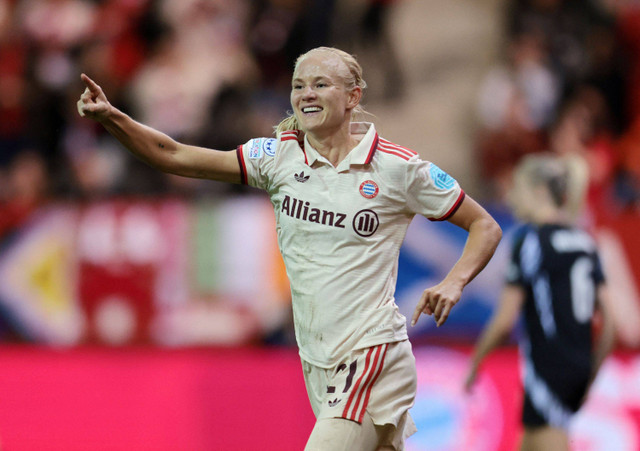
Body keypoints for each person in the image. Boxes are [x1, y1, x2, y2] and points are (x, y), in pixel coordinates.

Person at [77, 46, 502, 451]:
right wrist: (113, 117)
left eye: (320, 84)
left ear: (353, 96)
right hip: (317, 361)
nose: (306, 94)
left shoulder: (398, 169)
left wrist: (454, 281)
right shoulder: (277, 158)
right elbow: (174, 155)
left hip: (372, 354)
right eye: (299, 85)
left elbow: (484, 225)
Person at [464, 154, 615, 451]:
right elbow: (609, 322)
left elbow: (504, 320)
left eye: (517, 189)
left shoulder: (531, 242)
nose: (511, 198)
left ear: (539, 192)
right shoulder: (585, 242)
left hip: (549, 369)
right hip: (575, 369)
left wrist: (475, 364)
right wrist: (590, 373)